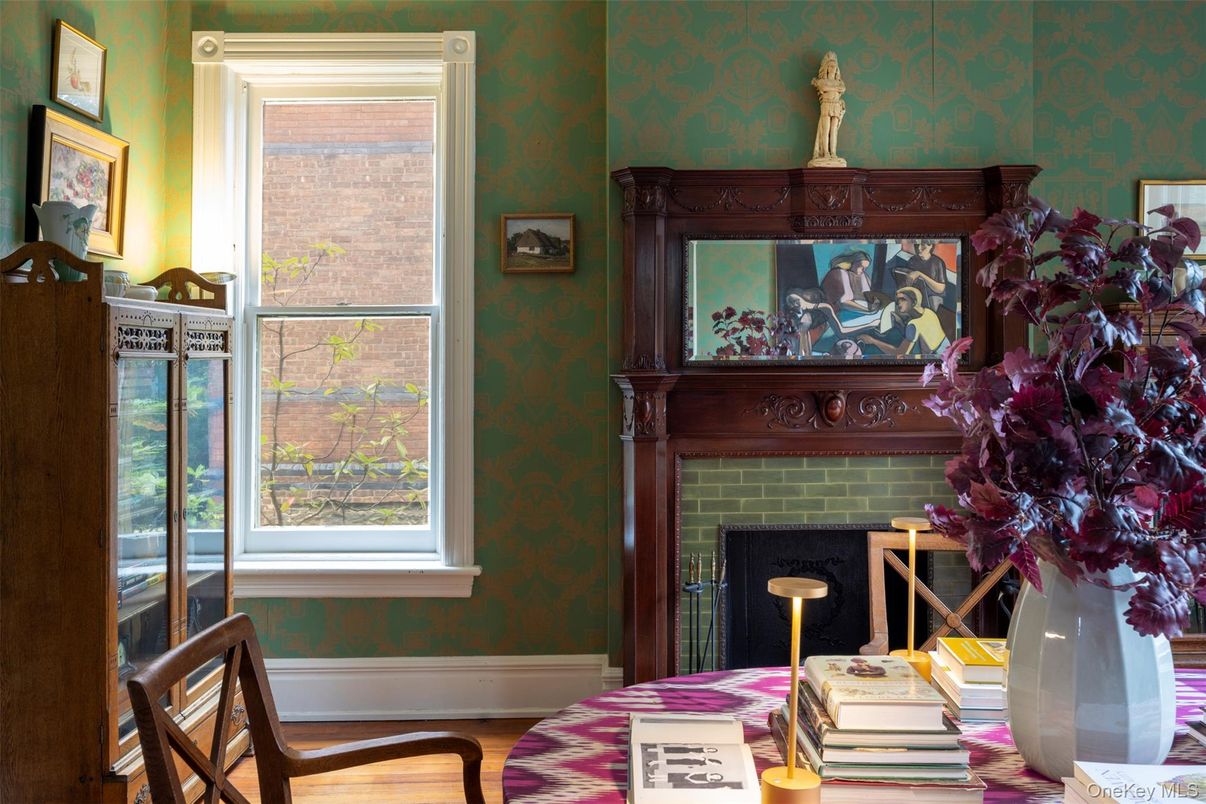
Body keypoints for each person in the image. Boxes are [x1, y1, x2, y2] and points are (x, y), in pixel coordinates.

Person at [857, 286, 949, 357]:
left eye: (903, 299)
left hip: (936, 357)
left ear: (914, 302)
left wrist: (873, 341)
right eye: (898, 301)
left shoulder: (913, 325)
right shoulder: (929, 312)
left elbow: (900, 353)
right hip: (947, 350)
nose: (899, 303)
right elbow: (921, 330)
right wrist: (900, 322)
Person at [808, 51, 847, 166]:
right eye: (830, 66)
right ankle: (825, 153)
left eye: (834, 66)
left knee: (834, 130)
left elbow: (841, 88)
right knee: (826, 130)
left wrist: (828, 87)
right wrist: (829, 87)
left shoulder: (839, 83)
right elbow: (823, 86)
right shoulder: (823, 81)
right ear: (826, 68)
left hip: (836, 105)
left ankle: (833, 153)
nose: (833, 68)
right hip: (826, 104)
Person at [904, 239, 947, 312]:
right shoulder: (912, 261)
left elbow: (940, 289)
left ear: (930, 246)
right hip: (916, 295)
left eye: (923, 245)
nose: (919, 248)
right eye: (917, 245)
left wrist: (920, 274)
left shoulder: (937, 262)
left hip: (933, 297)